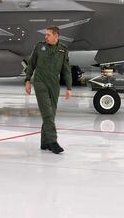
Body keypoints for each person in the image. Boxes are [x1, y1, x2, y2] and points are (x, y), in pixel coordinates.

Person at [24, 26, 73, 154]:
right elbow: (31, 64)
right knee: (47, 113)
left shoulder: (63, 50)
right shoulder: (39, 47)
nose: (45, 37)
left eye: (48, 35)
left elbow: (66, 70)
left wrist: (69, 87)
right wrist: (28, 80)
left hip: (54, 84)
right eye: (45, 35)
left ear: (56, 36)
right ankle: (53, 142)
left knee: (51, 113)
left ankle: (44, 142)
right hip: (40, 82)